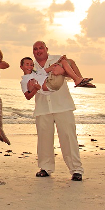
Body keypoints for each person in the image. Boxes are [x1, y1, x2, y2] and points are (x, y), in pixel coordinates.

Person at [26, 41, 84, 181]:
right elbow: (28, 87)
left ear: (47, 49)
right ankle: (45, 167)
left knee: (68, 138)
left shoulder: (58, 60)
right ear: (33, 52)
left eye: (41, 48)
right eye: (35, 49)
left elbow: (72, 73)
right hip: (42, 107)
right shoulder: (31, 67)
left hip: (62, 106)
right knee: (44, 140)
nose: (38, 51)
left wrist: (62, 71)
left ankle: (76, 169)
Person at [20, 56, 94, 99]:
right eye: (27, 64)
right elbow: (28, 97)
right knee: (64, 63)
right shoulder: (24, 81)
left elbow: (51, 67)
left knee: (69, 61)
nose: (30, 66)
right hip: (50, 84)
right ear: (21, 67)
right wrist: (35, 89)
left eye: (31, 65)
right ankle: (77, 80)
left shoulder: (37, 72)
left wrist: (60, 60)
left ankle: (81, 81)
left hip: (52, 80)